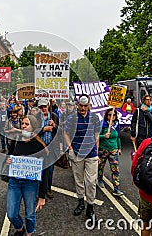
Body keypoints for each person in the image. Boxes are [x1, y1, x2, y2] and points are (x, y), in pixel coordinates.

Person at [6, 115, 48, 236]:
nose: (23, 126)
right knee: (11, 213)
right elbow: (9, 156)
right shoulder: (16, 140)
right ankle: (20, 229)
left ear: (33, 127)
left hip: (30, 184)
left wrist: (42, 196)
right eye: (22, 123)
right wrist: (8, 161)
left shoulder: (39, 146)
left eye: (26, 124)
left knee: (30, 214)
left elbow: (44, 172)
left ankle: (29, 233)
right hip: (14, 182)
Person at [63, 94, 100, 222]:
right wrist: (70, 148)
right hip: (77, 154)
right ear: (77, 105)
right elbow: (66, 133)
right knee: (79, 181)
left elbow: (96, 135)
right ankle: (81, 202)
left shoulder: (95, 118)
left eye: (86, 105)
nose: (83, 108)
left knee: (91, 182)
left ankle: (90, 207)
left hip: (91, 155)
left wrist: (97, 151)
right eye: (81, 105)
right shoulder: (71, 118)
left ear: (89, 105)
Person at [97, 108, 123, 196]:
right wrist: (104, 136)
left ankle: (116, 188)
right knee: (100, 166)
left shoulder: (117, 124)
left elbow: (118, 137)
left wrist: (119, 148)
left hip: (113, 150)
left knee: (115, 169)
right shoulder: (102, 124)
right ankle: (100, 179)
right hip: (103, 149)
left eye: (114, 115)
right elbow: (96, 136)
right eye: (110, 115)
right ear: (106, 115)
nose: (112, 117)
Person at [37, 98, 59, 199]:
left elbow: (60, 131)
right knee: (39, 169)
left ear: (48, 106)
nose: (43, 109)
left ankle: (48, 188)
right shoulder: (36, 117)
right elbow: (33, 132)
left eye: (45, 106)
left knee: (49, 170)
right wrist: (43, 129)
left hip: (51, 147)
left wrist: (54, 126)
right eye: (41, 107)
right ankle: (39, 190)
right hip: (39, 148)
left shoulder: (54, 116)